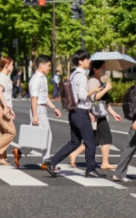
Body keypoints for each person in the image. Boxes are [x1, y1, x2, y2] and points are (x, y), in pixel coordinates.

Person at [48, 51, 109, 179]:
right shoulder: (81, 76)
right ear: (80, 61)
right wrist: (94, 90)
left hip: (74, 112)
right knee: (90, 141)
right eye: (87, 59)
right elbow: (81, 96)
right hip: (80, 112)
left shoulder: (74, 74)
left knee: (75, 142)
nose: (89, 61)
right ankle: (90, 170)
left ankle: (52, 161)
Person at [69, 60, 122, 170]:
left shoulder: (99, 80)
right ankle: (105, 163)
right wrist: (106, 88)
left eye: (104, 68)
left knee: (93, 140)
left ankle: (74, 154)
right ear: (95, 69)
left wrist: (113, 113)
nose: (104, 70)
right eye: (102, 68)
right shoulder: (92, 81)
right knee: (106, 138)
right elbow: (94, 98)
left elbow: (104, 103)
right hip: (98, 115)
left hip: (101, 113)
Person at [15, 55, 61, 168]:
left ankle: (19, 151)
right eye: (48, 65)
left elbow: (44, 97)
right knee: (47, 135)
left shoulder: (43, 78)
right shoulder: (35, 79)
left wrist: (54, 108)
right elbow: (34, 98)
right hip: (38, 109)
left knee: (36, 137)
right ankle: (46, 162)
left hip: (42, 108)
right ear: (41, 65)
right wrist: (35, 115)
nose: (50, 68)